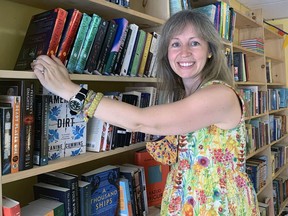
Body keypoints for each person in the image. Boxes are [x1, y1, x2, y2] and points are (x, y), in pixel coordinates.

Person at [31, 10, 259, 216]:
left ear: (210, 51)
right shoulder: (184, 97)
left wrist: (71, 91)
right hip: (187, 202)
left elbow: (140, 121)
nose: (184, 52)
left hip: (219, 206)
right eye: (175, 44)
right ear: (167, 53)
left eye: (195, 43)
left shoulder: (219, 94)